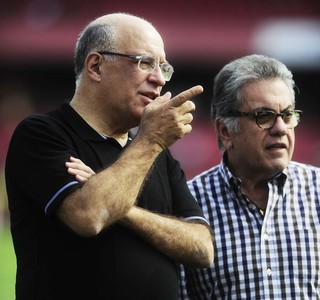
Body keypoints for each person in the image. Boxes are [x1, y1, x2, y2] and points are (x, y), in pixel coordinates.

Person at [5, 13, 214, 300]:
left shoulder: (159, 155)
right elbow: (90, 216)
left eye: (163, 67)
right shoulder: (41, 134)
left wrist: (125, 211)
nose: (158, 79)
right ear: (96, 66)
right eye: (145, 63)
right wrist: (150, 139)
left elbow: (202, 248)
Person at [180, 54, 320, 299]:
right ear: (226, 131)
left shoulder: (317, 190)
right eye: (263, 116)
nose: (280, 129)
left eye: (287, 115)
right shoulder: (189, 204)